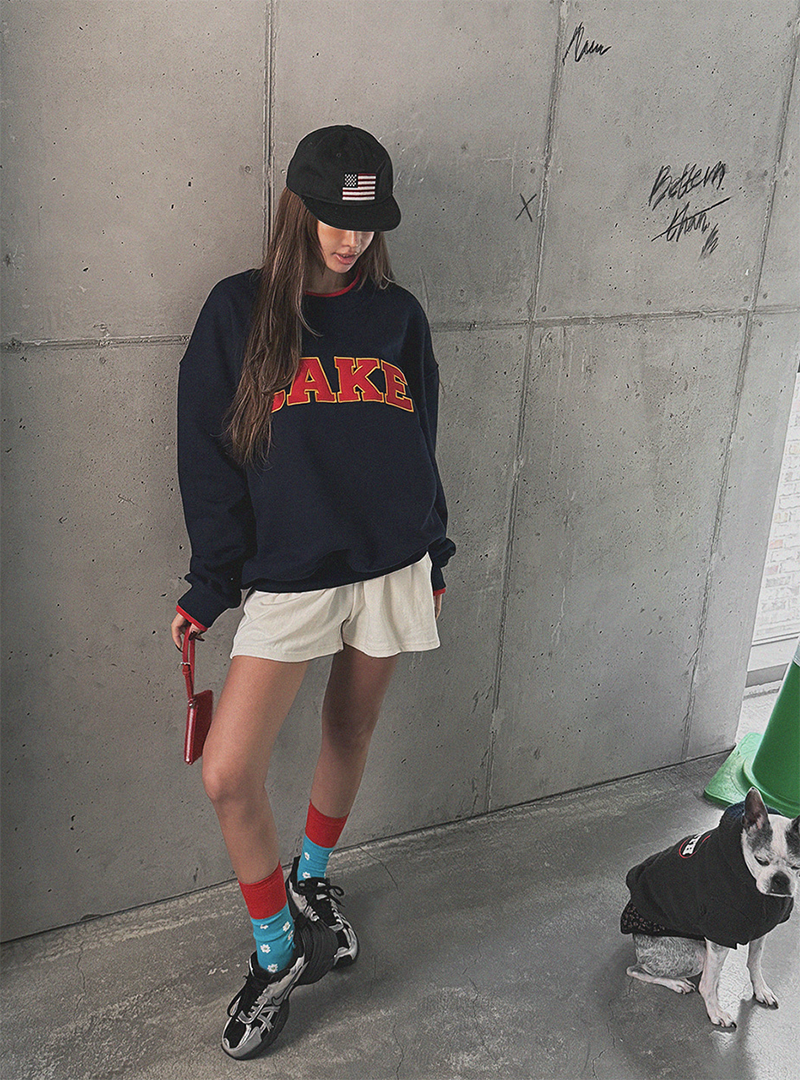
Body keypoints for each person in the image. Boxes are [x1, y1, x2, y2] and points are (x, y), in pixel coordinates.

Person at [170, 125, 455, 1059]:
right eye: (335, 218)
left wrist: (433, 554)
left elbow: (421, 437)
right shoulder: (239, 311)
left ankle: (314, 878)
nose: (350, 238)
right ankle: (277, 949)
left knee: (350, 728)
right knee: (228, 772)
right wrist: (211, 584)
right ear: (299, 208)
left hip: (390, 562)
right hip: (291, 573)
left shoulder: (398, 315)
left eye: (366, 223)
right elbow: (209, 459)